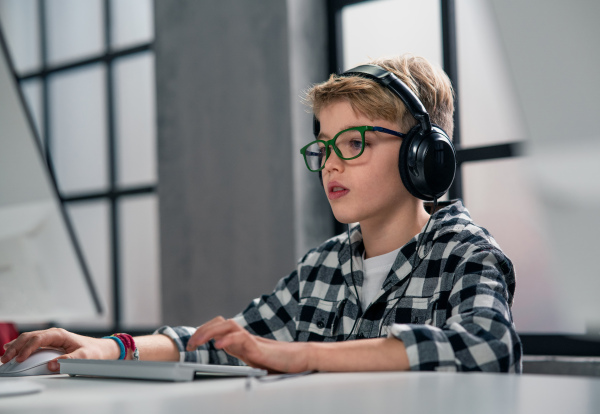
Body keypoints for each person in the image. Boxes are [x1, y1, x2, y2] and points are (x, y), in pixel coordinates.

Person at [1, 54, 522, 373]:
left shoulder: (464, 252)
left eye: (355, 143)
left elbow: (487, 345)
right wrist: (111, 348)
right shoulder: (323, 266)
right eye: (324, 147)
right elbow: (231, 343)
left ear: (422, 156)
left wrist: (302, 355)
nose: (330, 163)